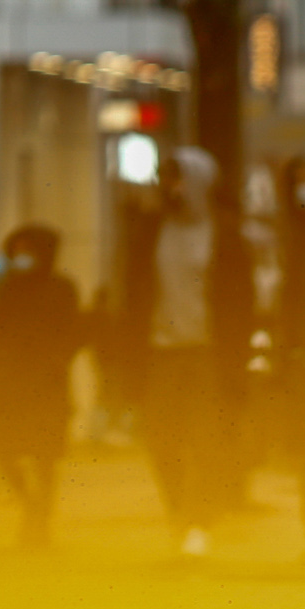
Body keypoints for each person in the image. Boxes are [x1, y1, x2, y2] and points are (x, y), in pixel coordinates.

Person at [125, 146, 255, 557]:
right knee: (160, 437)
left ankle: (199, 518)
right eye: (166, 178)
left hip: (207, 352)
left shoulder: (225, 237)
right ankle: (179, 508)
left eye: (179, 178)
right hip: (159, 350)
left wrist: (237, 355)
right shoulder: (150, 231)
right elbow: (133, 292)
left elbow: (240, 301)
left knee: (205, 438)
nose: (171, 187)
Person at [0, 226, 85, 546]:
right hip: (10, 381)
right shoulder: (7, 288)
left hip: (48, 383)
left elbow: (72, 329)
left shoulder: (61, 288)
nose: (22, 257)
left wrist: (58, 358)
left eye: (28, 250)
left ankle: (41, 518)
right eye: (17, 250)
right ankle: (31, 505)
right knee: (5, 449)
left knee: (45, 455)